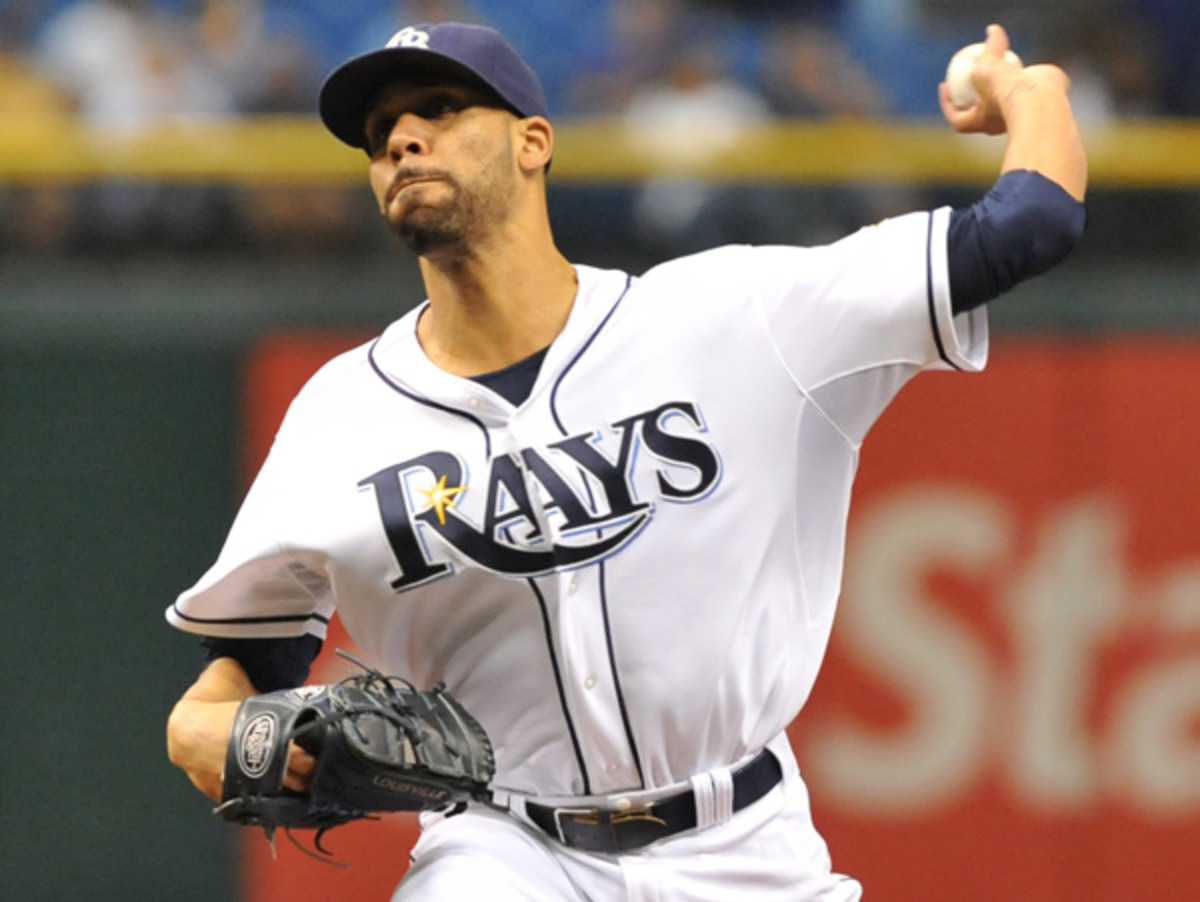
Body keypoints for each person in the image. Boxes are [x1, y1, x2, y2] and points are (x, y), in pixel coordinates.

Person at [165, 20, 1087, 901]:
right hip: (502, 851)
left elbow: (1029, 222)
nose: (404, 138)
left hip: (744, 844)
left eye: (441, 108)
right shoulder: (341, 411)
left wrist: (1034, 90)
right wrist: (199, 728)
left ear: (534, 142)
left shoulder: (737, 317)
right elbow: (247, 662)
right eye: (378, 134)